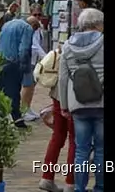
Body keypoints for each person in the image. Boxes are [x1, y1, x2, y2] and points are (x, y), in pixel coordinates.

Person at [59, 8, 104, 192]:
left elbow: (62, 78)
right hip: (102, 105)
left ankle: (79, 188)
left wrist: (64, 105)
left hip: (78, 104)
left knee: (81, 150)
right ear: (98, 24)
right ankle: (100, 187)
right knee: (101, 150)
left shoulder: (67, 46)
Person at [38, 45, 76, 192]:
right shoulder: (98, 44)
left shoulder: (67, 44)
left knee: (58, 136)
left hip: (58, 94)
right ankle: (70, 183)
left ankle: (46, 178)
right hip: (77, 97)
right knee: (75, 140)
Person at [0, 17, 34, 129]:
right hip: (13, 62)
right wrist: (24, 67)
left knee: (0, 89)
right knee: (14, 91)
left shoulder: (7, 24)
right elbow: (24, 48)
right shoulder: (27, 28)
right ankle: (17, 119)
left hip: (1, 60)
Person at [22, 11, 47, 122]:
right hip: (29, 61)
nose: (37, 17)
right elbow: (35, 46)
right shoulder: (28, 30)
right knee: (28, 86)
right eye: (35, 15)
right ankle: (23, 110)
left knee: (32, 85)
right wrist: (47, 57)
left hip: (35, 60)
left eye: (39, 15)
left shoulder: (38, 29)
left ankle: (28, 108)